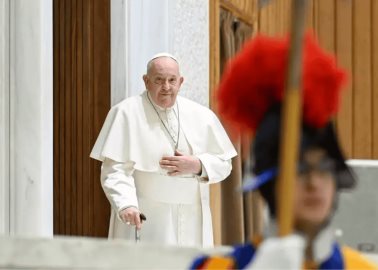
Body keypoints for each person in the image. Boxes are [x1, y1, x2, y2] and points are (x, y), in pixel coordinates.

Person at [190, 34, 378, 269]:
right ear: (270, 182)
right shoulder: (215, 266)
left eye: (325, 167)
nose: (314, 183)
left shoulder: (361, 268)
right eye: (299, 169)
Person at [90, 52, 237, 247]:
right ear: (146, 81)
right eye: (159, 80)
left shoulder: (202, 115)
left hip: (193, 218)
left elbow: (225, 164)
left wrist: (198, 165)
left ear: (180, 81)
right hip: (148, 215)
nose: (166, 87)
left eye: (172, 80)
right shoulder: (125, 112)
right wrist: (126, 204)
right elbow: (114, 170)